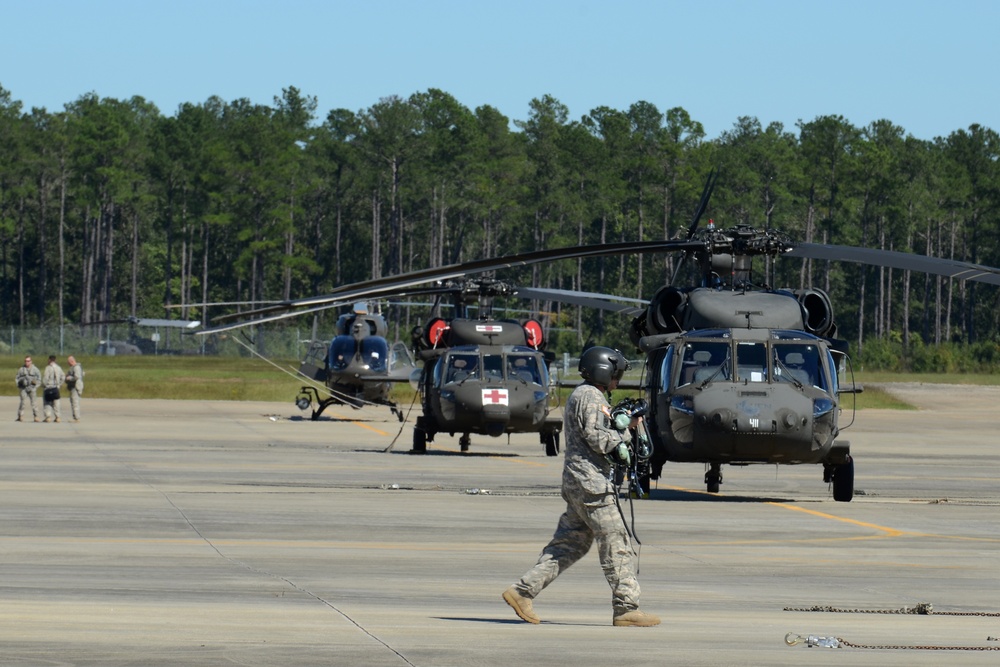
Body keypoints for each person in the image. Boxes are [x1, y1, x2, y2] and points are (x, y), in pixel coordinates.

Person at [502, 346, 660, 627]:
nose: (617, 378)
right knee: (616, 542)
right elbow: (598, 437)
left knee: (570, 544)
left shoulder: (584, 395)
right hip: (592, 485)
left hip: (580, 482)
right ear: (603, 370)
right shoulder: (590, 396)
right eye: (615, 373)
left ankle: (522, 591)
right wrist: (627, 429)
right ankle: (626, 607)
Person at [15, 355, 42, 422]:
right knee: (22, 403)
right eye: (26, 361)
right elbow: (17, 378)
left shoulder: (35, 369)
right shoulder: (21, 369)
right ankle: (20, 416)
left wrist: (35, 386)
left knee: (34, 403)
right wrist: (19, 384)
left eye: (28, 361)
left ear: (31, 361)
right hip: (23, 388)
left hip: (32, 388)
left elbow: (39, 379)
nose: (27, 362)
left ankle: (36, 416)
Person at [41, 355, 66, 423]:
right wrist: (59, 384)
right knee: (56, 403)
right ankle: (57, 417)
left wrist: (43, 385)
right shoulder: (58, 368)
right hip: (56, 388)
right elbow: (63, 377)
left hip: (48, 388)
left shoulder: (48, 368)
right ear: (55, 360)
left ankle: (48, 417)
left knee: (47, 403)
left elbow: (45, 378)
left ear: (49, 360)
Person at [65, 355, 85, 422]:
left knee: (75, 402)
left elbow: (77, 377)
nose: (68, 364)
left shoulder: (76, 367)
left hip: (75, 387)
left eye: (68, 362)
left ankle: (77, 418)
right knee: (73, 402)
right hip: (72, 387)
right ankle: (75, 417)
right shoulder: (73, 368)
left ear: (71, 361)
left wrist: (69, 378)